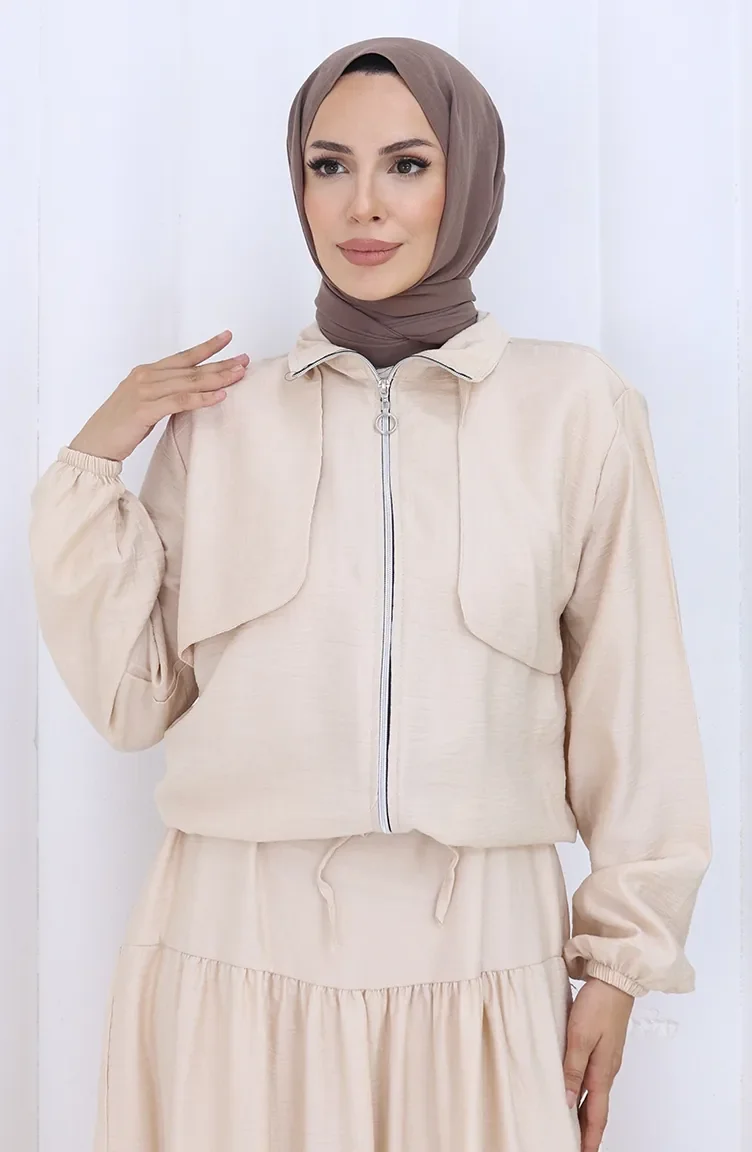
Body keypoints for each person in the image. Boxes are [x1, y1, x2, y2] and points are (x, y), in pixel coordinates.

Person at [29, 35, 711, 1152]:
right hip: (233, 942)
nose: (363, 205)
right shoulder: (222, 420)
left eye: (406, 164)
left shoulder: (573, 408)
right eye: (328, 165)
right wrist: (92, 462)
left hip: (479, 947)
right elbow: (134, 701)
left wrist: (620, 965)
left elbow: (633, 703)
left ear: (469, 177)